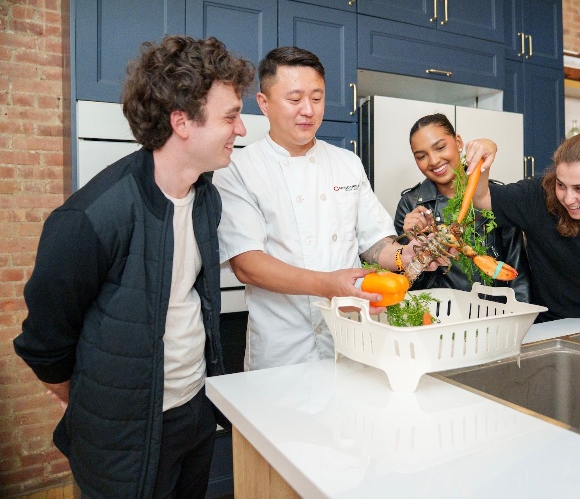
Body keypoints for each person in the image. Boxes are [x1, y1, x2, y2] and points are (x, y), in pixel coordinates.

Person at [13, 36, 255, 498]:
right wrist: (96, 405)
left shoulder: (207, 199)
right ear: (181, 122)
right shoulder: (90, 218)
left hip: (195, 411)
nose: (240, 129)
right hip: (124, 436)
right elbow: (44, 343)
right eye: (230, 117)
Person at [212, 46, 440, 371]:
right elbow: (247, 264)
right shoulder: (238, 168)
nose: (308, 110)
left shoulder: (347, 163)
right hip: (282, 351)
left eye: (317, 98)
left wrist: (408, 255)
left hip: (351, 338)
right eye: (294, 99)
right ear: (264, 103)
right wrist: (326, 285)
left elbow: (374, 243)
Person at [466, 133, 580, 322]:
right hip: (550, 325)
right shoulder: (537, 197)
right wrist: (483, 157)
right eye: (561, 185)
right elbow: (482, 199)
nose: (568, 199)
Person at [395, 113, 531, 301]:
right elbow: (406, 283)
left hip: (497, 311)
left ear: (458, 142)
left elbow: (518, 270)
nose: (433, 161)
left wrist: (521, 312)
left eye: (440, 147)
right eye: (421, 156)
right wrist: (413, 242)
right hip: (440, 311)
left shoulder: (495, 197)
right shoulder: (410, 204)